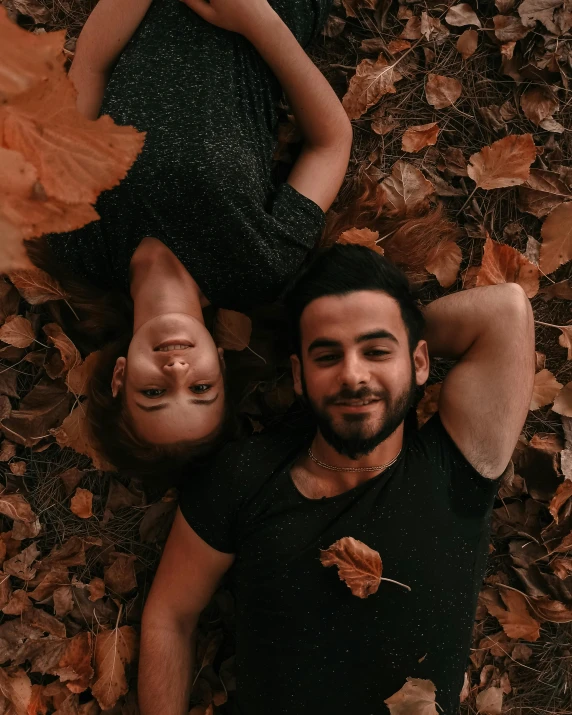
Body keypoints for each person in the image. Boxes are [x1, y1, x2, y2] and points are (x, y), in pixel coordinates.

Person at [139, 244, 535, 714]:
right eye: (327, 356)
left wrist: (402, 332)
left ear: (421, 362)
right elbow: (170, 616)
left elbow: (507, 310)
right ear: (299, 376)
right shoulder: (244, 477)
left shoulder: (457, 468)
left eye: (375, 351)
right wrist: (392, 345)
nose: (352, 374)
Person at [26, 0, 351, 477]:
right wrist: (256, 19)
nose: (177, 372)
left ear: (120, 377)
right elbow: (331, 142)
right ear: (220, 363)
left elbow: (91, 71)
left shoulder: (78, 242)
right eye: (202, 389)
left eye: (153, 393)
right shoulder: (258, 266)